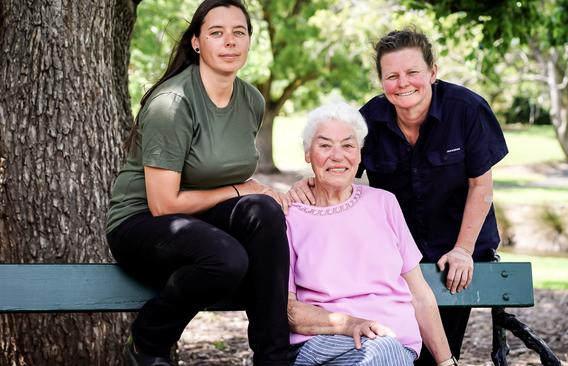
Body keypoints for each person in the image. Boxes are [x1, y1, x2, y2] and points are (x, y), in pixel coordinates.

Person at [289, 28, 507, 364]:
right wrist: (307, 185)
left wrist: (463, 250)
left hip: (456, 251)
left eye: (412, 73)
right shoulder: (370, 121)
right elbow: (338, 164)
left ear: (433, 73)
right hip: (398, 259)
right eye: (391, 75)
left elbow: (481, 186)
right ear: (380, 81)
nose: (403, 83)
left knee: (439, 353)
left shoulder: (467, 110)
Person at [105, 1, 290, 365]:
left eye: (239, 32)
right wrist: (241, 190)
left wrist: (259, 190)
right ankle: (149, 341)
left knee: (265, 211)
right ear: (196, 42)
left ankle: (275, 358)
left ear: (250, 41)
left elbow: (225, 169)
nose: (230, 42)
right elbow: (163, 205)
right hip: (142, 224)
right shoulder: (172, 103)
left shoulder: (251, 99)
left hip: (200, 221)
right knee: (227, 258)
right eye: (216, 33)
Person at [285, 102, 459, 366]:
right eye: (324, 145)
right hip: (322, 344)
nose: (337, 155)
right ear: (308, 153)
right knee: (381, 352)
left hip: (395, 348)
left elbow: (419, 295)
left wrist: (446, 362)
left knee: (384, 352)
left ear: (359, 154)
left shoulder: (384, 203)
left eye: (347, 145)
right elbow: (289, 310)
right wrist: (354, 325)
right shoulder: (291, 218)